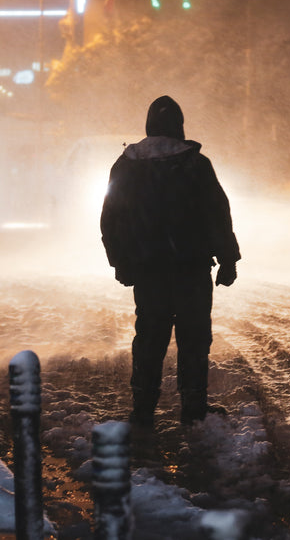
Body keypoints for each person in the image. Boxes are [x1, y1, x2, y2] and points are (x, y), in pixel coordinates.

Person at [100, 95, 240, 427]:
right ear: (179, 127)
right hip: (191, 268)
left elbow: (110, 219)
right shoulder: (195, 164)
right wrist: (228, 259)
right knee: (194, 337)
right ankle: (193, 407)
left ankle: (143, 406)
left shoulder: (127, 166)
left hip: (149, 270)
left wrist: (120, 261)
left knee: (149, 335)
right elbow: (217, 214)